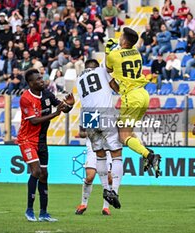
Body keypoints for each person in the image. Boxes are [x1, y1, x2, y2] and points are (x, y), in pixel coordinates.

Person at [18, 68, 75, 222]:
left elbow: (64, 108)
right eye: (38, 79)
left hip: (42, 141)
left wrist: (70, 104)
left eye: (42, 78)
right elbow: (33, 121)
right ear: (30, 83)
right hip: (27, 139)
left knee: (44, 175)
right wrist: (55, 114)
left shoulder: (47, 94)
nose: (42, 81)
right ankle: (29, 210)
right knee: (35, 171)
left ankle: (43, 213)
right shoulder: (26, 98)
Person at [106, 27, 162, 177]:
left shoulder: (114, 55)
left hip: (131, 97)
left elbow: (108, 68)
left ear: (124, 41)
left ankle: (149, 155)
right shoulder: (137, 52)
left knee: (123, 137)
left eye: (121, 37)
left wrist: (107, 52)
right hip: (143, 95)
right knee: (128, 132)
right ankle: (146, 153)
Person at [76, 59, 123, 210]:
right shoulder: (102, 71)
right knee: (117, 154)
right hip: (104, 114)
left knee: (100, 155)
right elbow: (117, 88)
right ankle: (113, 191)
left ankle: (105, 191)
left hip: (90, 118)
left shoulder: (79, 80)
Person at [75, 129, 114, 216]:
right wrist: (88, 133)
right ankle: (83, 204)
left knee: (109, 179)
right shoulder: (89, 116)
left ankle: (106, 207)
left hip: (107, 152)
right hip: (92, 151)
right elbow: (81, 133)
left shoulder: (109, 117)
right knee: (90, 177)